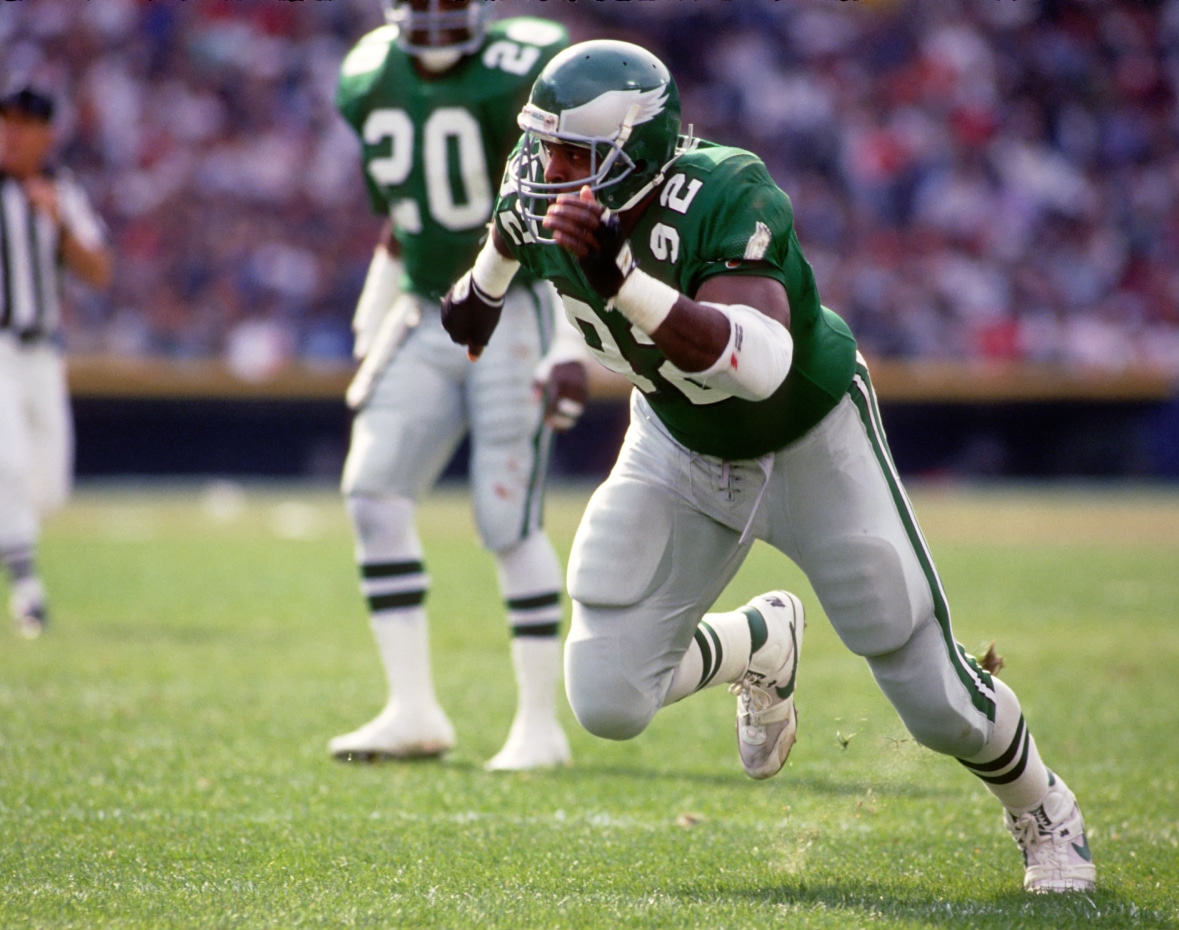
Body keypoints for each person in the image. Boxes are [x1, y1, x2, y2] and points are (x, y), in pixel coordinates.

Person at [441, 39, 1096, 892]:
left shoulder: (727, 189)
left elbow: (756, 364)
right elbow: (496, 255)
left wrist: (624, 279)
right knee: (605, 696)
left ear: (634, 152)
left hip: (806, 436)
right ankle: (758, 641)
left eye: (575, 153)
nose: (548, 168)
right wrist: (480, 295)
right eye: (544, 145)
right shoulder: (544, 188)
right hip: (678, 441)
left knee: (926, 686)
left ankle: (1043, 807)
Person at [330, 0, 589, 771]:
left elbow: (569, 207)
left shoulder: (523, 71)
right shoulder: (370, 76)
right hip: (422, 306)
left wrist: (572, 337)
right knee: (372, 495)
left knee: (506, 519)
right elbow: (400, 221)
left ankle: (539, 726)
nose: (438, 18)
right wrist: (370, 318)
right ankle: (412, 709)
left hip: (513, 304)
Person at [0, 86, 112, 639]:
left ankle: (14, 543)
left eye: (23, 125)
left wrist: (58, 224)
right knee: (11, 468)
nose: (11, 135)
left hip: (43, 352)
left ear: (47, 134)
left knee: (48, 485)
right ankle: (29, 592)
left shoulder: (62, 190)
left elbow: (99, 271)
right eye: (5, 123)